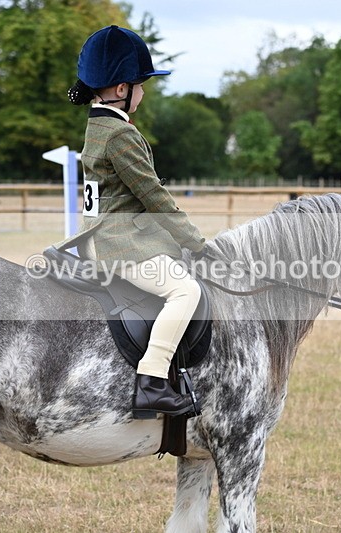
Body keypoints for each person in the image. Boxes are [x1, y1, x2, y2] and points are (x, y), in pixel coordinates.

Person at [63, 26, 206, 419]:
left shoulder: (97, 127)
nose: (144, 93)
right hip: (118, 242)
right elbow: (154, 197)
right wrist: (196, 242)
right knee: (185, 292)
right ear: (123, 89)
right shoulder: (121, 135)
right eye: (142, 85)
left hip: (95, 236)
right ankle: (153, 380)